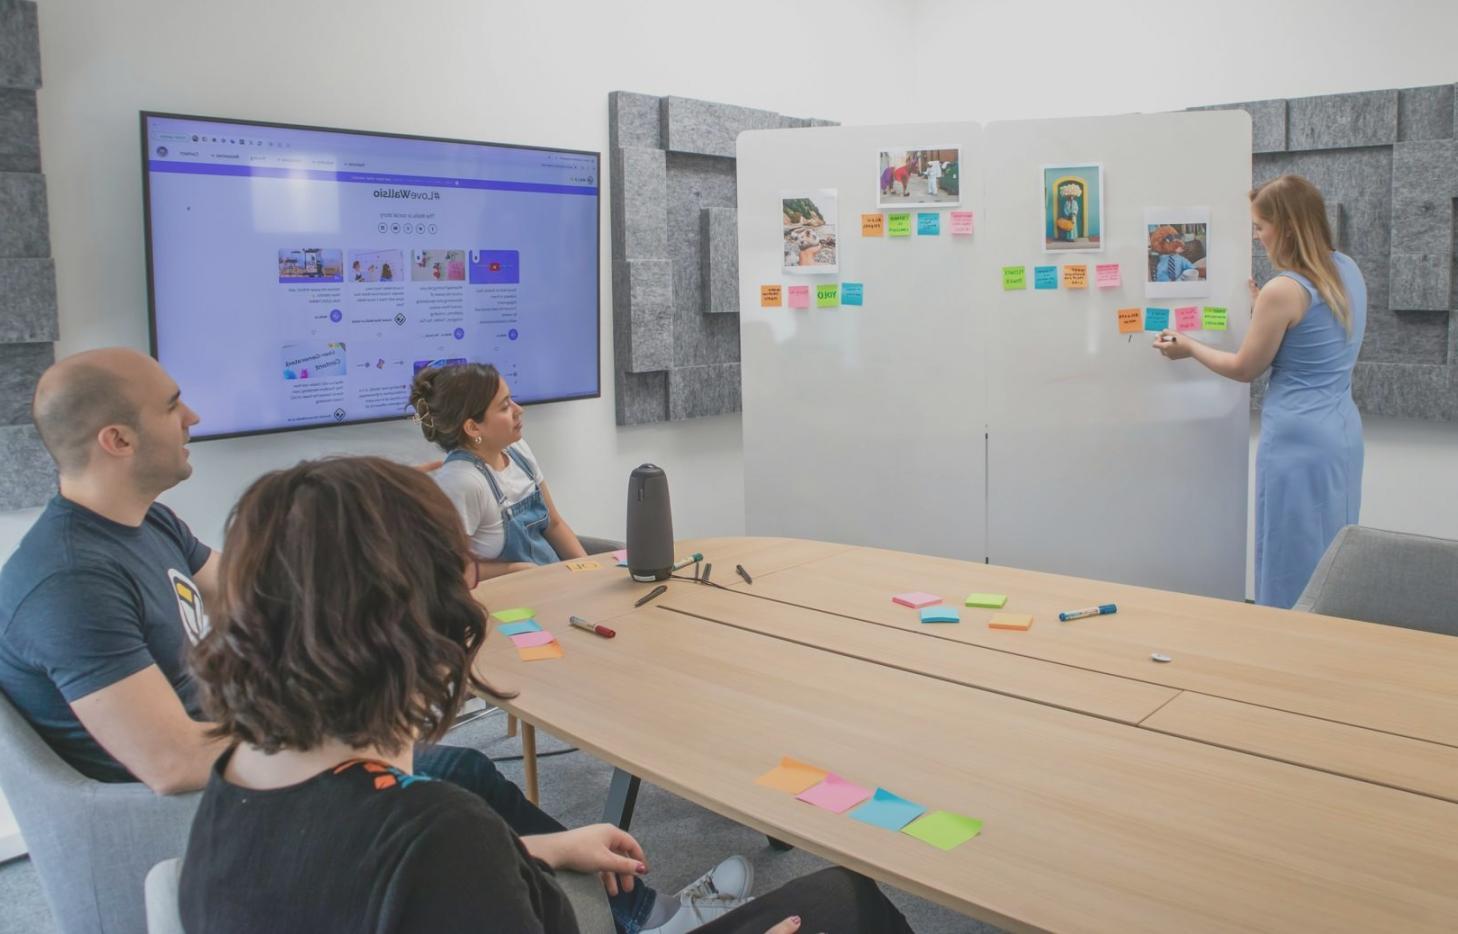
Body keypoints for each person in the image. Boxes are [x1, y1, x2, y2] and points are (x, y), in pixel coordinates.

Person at [0, 349, 750, 932]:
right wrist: (330, 719)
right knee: (454, 810)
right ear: (117, 437)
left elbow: (285, 587)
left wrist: (366, 511)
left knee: (463, 770)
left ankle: (634, 909)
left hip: (275, 769)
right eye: (172, 406)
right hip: (205, 800)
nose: (192, 414)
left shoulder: (147, 521)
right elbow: (166, 762)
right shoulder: (69, 585)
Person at [179, 456, 916, 934]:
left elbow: (367, 891)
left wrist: (528, 848)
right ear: (425, 617)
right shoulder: (436, 831)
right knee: (850, 905)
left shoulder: (240, 781)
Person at [1154, 175, 1366, 607]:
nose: (1256, 235)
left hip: (1296, 441)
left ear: (1285, 227)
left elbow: (1244, 368)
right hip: (1341, 433)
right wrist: (1263, 311)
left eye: (1260, 226)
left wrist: (1189, 346)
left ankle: (1286, 661)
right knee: (1333, 557)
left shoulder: (1283, 291)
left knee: (1290, 561)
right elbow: (1314, 336)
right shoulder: (1345, 268)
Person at [410, 362, 588, 579]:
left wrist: (590, 570)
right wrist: (513, 570)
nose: (518, 410)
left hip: (550, 584)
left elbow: (554, 524)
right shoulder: (461, 481)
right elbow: (455, 571)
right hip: (513, 600)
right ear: (473, 427)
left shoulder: (517, 450)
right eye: (505, 407)